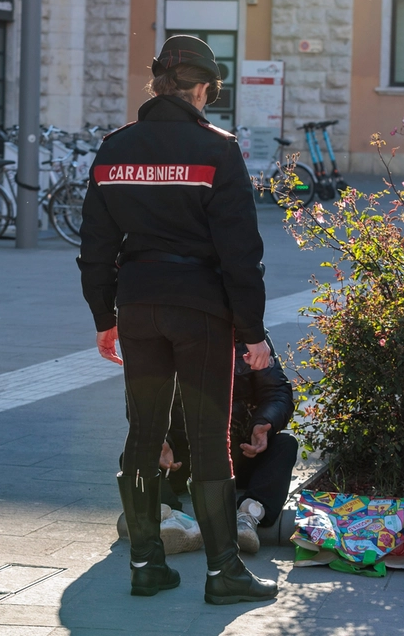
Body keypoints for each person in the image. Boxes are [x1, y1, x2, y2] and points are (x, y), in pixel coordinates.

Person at [78, 35, 278, 605]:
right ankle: (224, 574)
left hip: (137, 307)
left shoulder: (114, 148)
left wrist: (103, 315)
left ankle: (146, 564)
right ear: (202, 88)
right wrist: (253, 331)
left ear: (158, 84)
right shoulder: (217, 149)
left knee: (143, 434)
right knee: (209, 437)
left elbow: (94, 246)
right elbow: (241, 251)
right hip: (200, 309)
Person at [163, 336, 296, 553]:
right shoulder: (171, 332)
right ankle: (172, 519)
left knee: (285, 445)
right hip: (185, 459)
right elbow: (142, 395)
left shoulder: (250, 336)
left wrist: (264, 424)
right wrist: (161, 439)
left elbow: (277, 391)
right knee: (136, 455)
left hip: (239, 452)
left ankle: (248, 516)